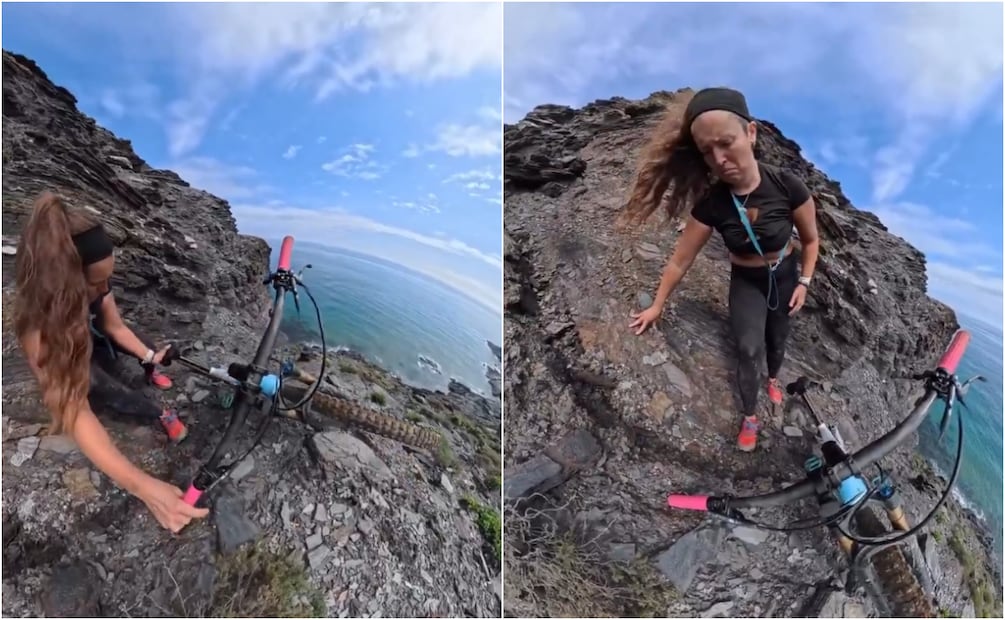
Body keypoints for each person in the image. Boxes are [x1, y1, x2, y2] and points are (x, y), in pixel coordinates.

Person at [622, 87, 820, 452]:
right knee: (748, 348)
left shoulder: (786, 185)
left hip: (785, 274)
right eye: (707, 151)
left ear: (751, 133)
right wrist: (657, 306)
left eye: (726, 143)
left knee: (777, 340)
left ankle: (773, 378)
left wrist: (804, 282)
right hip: (746, 280)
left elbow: (810, 240)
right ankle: (750, 415)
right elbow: (680, 259)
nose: (719, 158)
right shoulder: (713, 203)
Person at [12, 191, 210, 532]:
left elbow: (115, 326)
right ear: (65, 284)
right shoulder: (38, 330)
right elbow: (73, 409)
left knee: (145, 344)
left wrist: (149, 356)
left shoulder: (98, 284)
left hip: (93, 337)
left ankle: (150, 369)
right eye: (96, 282)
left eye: (108, 278)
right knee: (104, 386)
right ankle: (158, 413)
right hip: (71, 350)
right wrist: (143, 487)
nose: (105, 288)